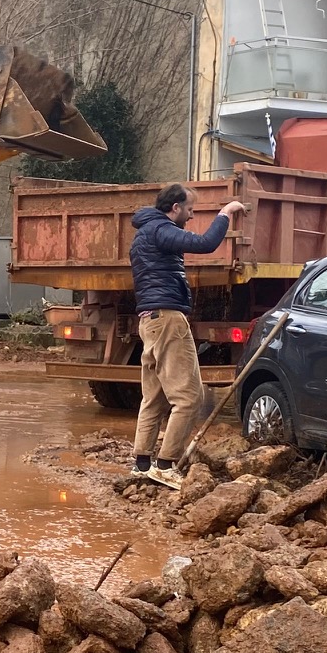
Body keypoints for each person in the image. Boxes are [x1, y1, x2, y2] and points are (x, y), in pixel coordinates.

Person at [127, 184, 247, 489]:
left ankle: (142, 465)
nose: (192, 216)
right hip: (167, 319)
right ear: (175, 207)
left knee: (153, 397)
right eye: (191, 209)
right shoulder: (161, 230)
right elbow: (206, 243)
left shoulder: (144, 232)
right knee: (190, 397)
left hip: (149, 320)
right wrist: (225, 213)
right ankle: (165, 466)